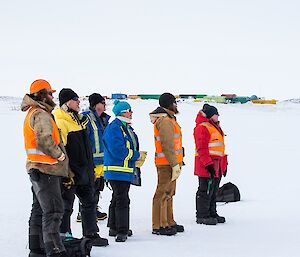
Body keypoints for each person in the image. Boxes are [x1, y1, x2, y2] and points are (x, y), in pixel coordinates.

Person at [21, 79, 71, 257]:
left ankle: (36, 247)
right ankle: (55, 250)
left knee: (39, 209)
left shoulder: (32, 112)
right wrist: (60, 155)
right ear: (42, 94)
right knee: (54, 211)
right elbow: (44, 139)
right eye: (50, 93)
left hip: (36, 169)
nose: (53, 96)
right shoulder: (41, 114)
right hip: (47, 169)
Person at [53, 88, 108, 246]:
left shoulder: (79, 120)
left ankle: (91, 234)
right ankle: (64, 235)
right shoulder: (60, 121)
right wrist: (66, 173)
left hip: (84, 171)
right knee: (66, 206)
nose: (79, 102)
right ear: (67, 102)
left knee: (89, 202)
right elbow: (60, 149)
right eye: (75, 99)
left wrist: (92, 170)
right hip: (70, 172)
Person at [103, 100, 147, 242]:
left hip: (123, 171)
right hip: (117, 171)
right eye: (129, 110)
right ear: (122, 112)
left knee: (117, 197)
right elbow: (118, 151)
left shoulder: (124, 127)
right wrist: (136, 156)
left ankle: (113, 227)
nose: (131, 113)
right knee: (122, 199)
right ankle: (121, 230)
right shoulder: (115, 128)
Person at [150, 93, 184, 236]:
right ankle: (159, 225)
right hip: (166, 163)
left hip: (172, 162)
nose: (176, 105)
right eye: (174, 102)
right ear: (168, 104)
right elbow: (167, 145)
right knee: (162, 193)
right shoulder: (164, 121)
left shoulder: (170, 119)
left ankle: (169, 221)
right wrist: (174, 163)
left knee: (170, 193)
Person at [77, 93, 110, 222]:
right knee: (89, 187)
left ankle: (94, 209)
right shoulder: (86, 118)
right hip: (91, 160)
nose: (105, 106)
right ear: (96, 104)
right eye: (102, 103)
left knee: (97, 186)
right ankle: (83, 212)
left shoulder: (104, 119)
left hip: (102, 160)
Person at [193, 103, 228, 225]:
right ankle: (202, 215)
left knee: (213, 190)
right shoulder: (203, 127)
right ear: (210, 115)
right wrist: (208, 165)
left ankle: (212, 212)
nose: (218, 116)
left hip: (216, 165)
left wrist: (224, 165)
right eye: (216, 114)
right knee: (205, 190)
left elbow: (219, 148)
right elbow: (201, 148)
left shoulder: (215, 127)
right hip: (207, 165)